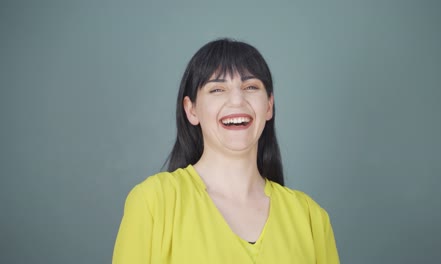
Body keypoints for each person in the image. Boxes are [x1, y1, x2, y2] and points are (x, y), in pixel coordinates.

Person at [112, 38, 340, 264]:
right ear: (191, 110)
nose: (237, 101)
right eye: (217, 89)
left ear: (269, 106)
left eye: (251, 87)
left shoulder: (311, 218)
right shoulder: (153, 202)